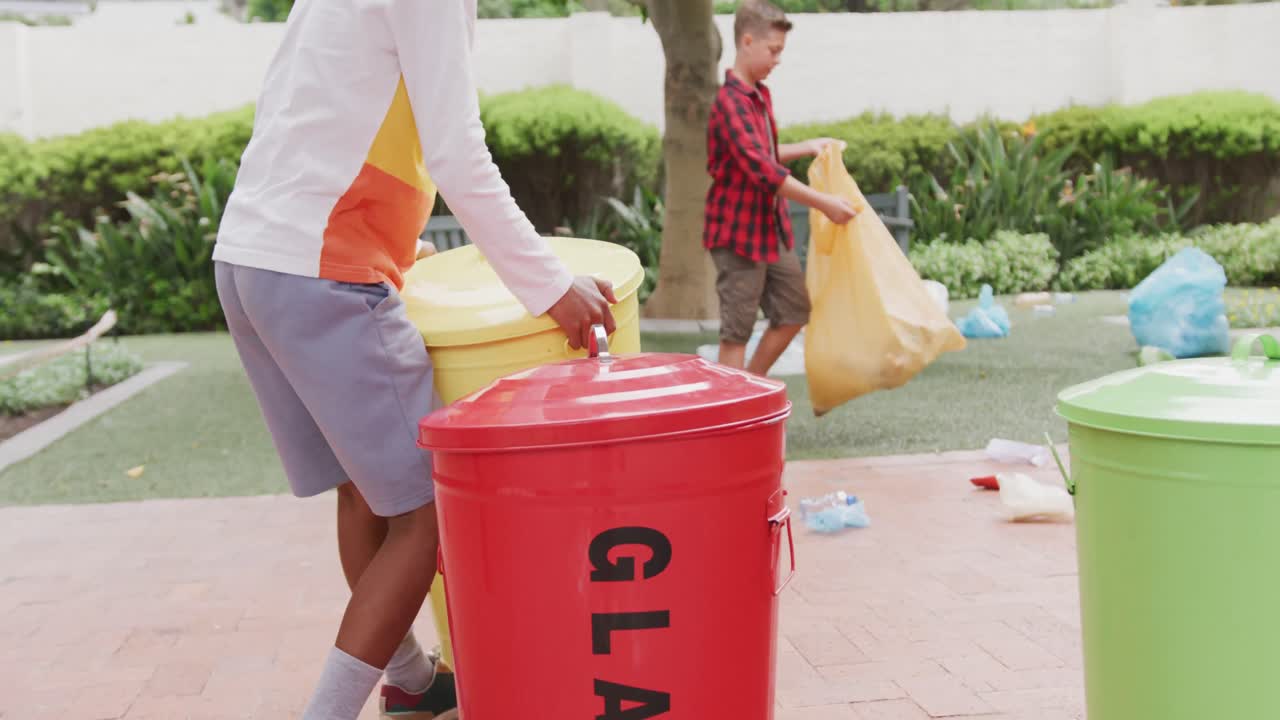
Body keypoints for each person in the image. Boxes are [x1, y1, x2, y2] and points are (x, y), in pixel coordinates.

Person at [210, 1, 616, 718]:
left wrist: (390, 242)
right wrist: (551, 285)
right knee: (429, 512)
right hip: (322, 271)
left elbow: (304, 109)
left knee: (365, 494)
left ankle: (414, 684)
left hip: (253, 262)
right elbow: (457, 151)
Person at [705, 0, 858, 377]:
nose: (777, 60)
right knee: (736, 333)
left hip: (769, 231)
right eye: (773, 51)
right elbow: (762, 171)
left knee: (793, 311)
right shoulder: (729, 102)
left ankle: (749, 389)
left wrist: (808, 146)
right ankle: (734, 415)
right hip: (738, 236)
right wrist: (824, 203)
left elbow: (765, 153)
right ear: (747, 41)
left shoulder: (759, 95)